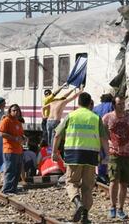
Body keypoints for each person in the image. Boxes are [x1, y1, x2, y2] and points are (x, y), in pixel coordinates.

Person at [52, 92, 109, 223]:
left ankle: (77, 202)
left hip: (73, 155)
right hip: (91, 156)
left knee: (71, 182)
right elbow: (104, 138)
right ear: (90, 103)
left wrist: (54, 152)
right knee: (87, 187)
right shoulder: (95, 118)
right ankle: (85, 217)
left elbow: (57, 135)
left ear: (78, 103)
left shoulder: (71, 116)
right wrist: (107, 156)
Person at [103, 96, 129, 220]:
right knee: (113, 181)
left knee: (124, 183)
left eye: (123, 104)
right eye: (119, 104)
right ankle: (112, 207)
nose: (122, 106)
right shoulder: (107, 118)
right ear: (114, 105)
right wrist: (107, 143)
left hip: (127, 154)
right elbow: (102, 132)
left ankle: (121, 209)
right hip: (114, 154)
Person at [0, 104, 25, 194]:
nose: (16, 112)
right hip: (9, 149)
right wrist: (14, 138)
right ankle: (7, 190)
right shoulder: (6, 120)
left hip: (18, 149)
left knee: (17, 171)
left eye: (17, 110)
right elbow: (2, 133)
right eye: (14, 110)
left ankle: (13, 189)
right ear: (10, 111)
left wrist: (24, 138)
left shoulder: (18, 122)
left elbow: (21, 134)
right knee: (10, 170)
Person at [93, 93, 114, 183]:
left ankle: (101, 174)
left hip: (96, 133)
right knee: (108, 153)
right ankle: (107, 174)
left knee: (100, 154)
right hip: (108, 133)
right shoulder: (111, 106)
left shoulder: (96, 108)